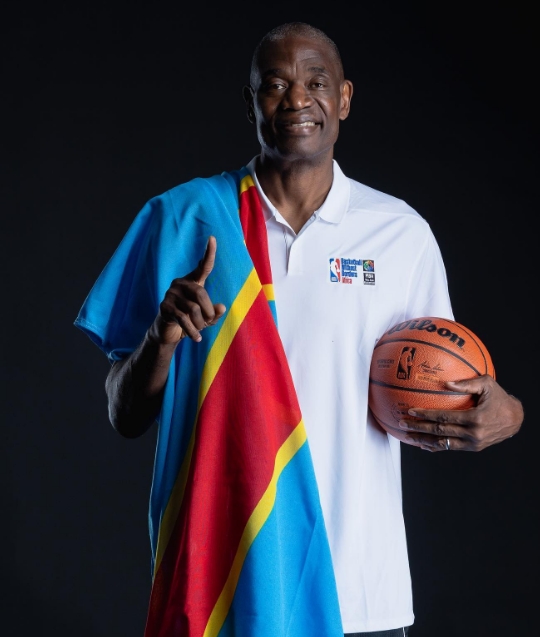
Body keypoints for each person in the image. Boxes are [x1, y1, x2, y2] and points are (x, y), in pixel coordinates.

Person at [74, 22, 523, 637]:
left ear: (343, 99)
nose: (296, 100)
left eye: (316, 83)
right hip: (228, 584)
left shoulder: (399, 233)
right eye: (275, 84)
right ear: (250, 100)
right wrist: (161, 337)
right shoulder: (184, 220)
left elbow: (451, 386)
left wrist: (508, 414)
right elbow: (122, 414)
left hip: (360, 592)